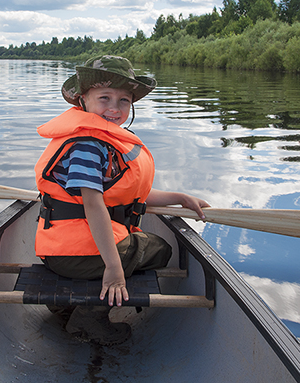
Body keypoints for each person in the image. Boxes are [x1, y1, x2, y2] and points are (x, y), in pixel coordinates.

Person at [34, 55, 209, 345]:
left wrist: (180, 198)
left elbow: (130, 194)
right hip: (75, 253)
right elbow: (93, 205)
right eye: (105, 98)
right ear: (83, 101)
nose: (114, 109)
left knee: (136, 248)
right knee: (160, 250)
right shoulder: (88, 145)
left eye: (123, 101)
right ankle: (87, 319)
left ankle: (64, 305)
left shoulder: (102, 141)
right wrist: (114, 271)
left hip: (62, 250)